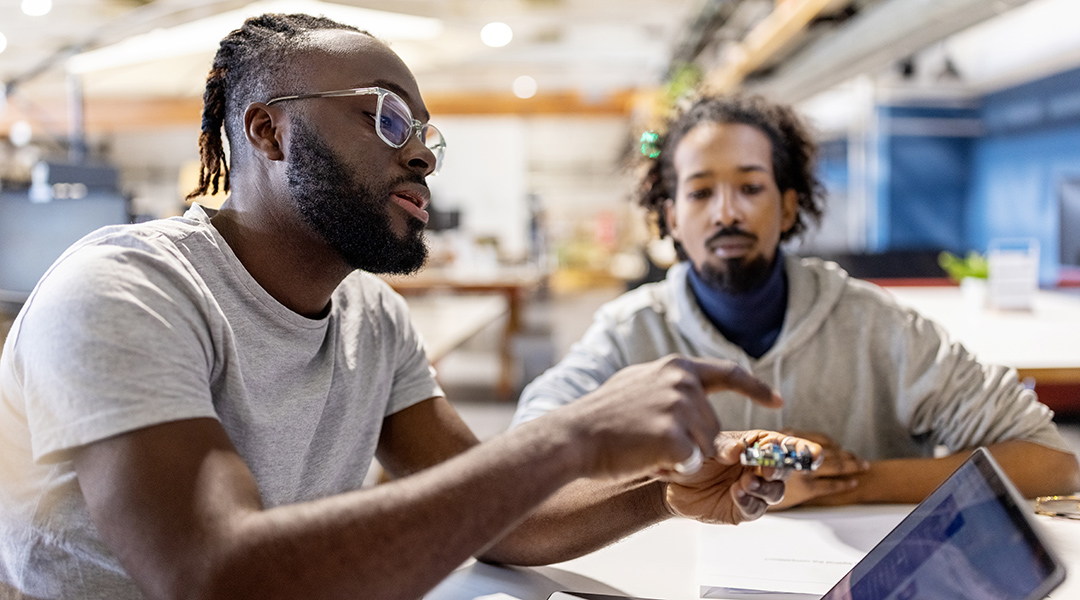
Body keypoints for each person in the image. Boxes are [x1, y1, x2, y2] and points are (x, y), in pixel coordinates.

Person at [0, 15, 823, 600]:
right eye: (386, 117)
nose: (423, 152)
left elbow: (498, 520)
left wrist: (660, 493)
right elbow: (215, 574)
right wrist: (573, 437)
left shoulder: (371, 318)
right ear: (267, 132)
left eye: (425, 130)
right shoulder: (125, 291)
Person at [514, 94, 1080, 509]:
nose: (727, 212)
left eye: (751, 187)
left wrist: (851, 485)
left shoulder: (878, 326)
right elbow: (525, 460)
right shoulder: (628, 336)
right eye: (702, 191)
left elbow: (1050, 460)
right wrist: (695, 484)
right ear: (671, 219)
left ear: (788, 208)